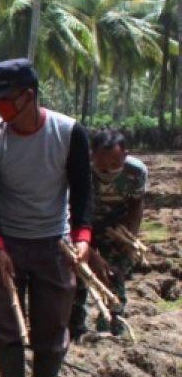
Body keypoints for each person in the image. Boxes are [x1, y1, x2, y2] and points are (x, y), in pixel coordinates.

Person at [0, 58, 92, 377]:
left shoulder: (69, 133)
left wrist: (83, 238)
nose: (0, 108)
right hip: (6, 243)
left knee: (52, 326)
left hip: (53, 244)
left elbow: (83, 191)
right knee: (6, 325)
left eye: (6, 99)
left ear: (29, 96)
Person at [69, 129, 148, 338]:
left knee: (114, 274)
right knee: (79, 275)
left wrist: (129, 237)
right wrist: (91, 255)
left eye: (115, 166)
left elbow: (136, 204)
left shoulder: (135, 172)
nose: (108, 171)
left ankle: (112, 327)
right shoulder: (79, 170)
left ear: (125, 155)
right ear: (91, 156)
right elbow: (67, 210)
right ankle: (75, 329)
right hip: (81, 225)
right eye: (102, 167)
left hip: (116, 228)